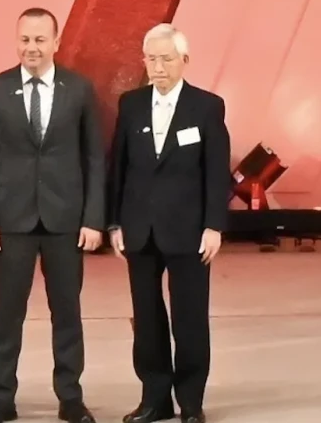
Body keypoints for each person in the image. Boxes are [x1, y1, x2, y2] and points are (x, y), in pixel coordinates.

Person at [0, 8, 103, 423]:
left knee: (68, 315)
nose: (32, 47)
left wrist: (93, 219)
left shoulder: (79, 89)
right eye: (25, 39)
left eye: (40, 39)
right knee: (7, 317)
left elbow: (94, 158)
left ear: (56, 42)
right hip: (11, 222)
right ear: (16, 41)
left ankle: (71, 397)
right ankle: (2, 398)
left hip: (66, 221)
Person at [108, 24, 229, 423]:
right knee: (147, 320)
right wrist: (114, 223)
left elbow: (216, 171)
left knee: (189, 319)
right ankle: (154, 398)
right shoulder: (131, 104)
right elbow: (118, 166)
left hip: (189, 231)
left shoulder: (206, 106)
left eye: (166, 59)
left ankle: (190, 401)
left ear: (184, 61)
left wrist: (214, 225)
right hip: (139, 229)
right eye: (151, 59)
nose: (158, 67)